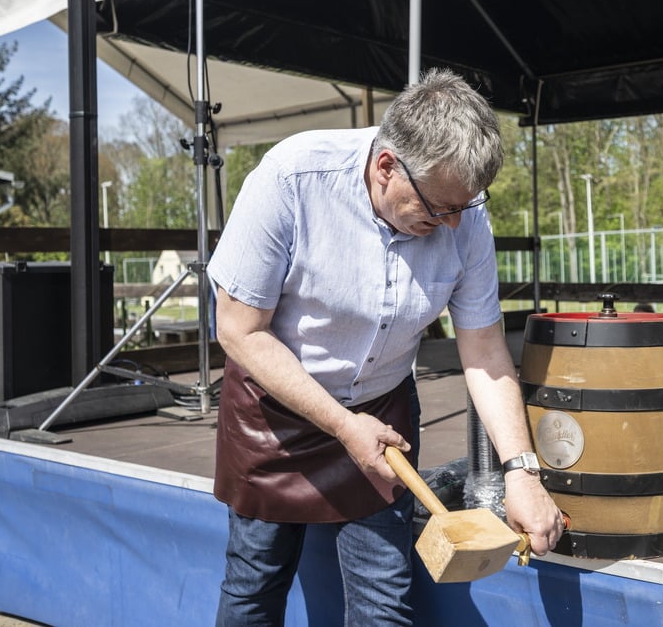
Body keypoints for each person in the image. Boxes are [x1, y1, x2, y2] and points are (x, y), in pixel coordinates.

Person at [206, 68, 563, 626]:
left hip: (382, 416)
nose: (449, 225)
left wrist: (521, 471)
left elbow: (486, 353)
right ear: (386, 165)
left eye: (461, 209)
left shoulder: (464, 214)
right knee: (255, 584)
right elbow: (238, 330)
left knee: (383, 600)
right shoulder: (291, 178)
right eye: (436, 209)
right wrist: (344, 426)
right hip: (274, 413)